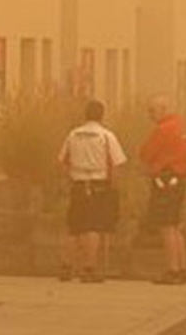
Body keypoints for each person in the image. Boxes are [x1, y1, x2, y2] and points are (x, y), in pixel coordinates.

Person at [57, 99, 127, 282]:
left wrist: (69, 179)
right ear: (102, 115)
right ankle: (89, 269)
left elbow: (63, 161)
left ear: (85, 114)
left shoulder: (73, 135)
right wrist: (115, 187)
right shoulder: (106, 136)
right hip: (99, 186)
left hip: (78, 185)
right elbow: (116, 164)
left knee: (74, 228)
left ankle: (66, 267)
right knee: (93, 227)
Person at [139, 95, 186, 285]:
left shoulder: (163, 130)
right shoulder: (181, 126)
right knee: (175, 226)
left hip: (165, 179)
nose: (150, 115)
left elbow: (145, 152)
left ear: (163, 109)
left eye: (152, 110)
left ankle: (172, 270)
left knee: (166, 226)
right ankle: (182, 267)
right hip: (179, 179)